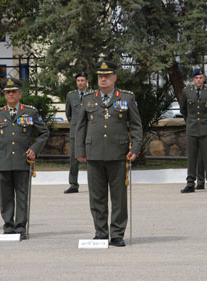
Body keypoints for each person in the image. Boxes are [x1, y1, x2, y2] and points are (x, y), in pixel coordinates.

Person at [75, 61, 143, 247]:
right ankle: (101, 232)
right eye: (100, 76)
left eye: (107, 76)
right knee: (97, 197)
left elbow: (136, 126)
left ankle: (117, 234)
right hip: (94, 154)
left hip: (118, 154)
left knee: (119, 197)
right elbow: (80, 126)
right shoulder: (89, 99)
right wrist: (79, 150)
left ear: (114, 77)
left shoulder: (127, 98)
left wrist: (135, 149)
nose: (103, 79)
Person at [0, 78, 49, 239]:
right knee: (6, 195)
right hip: (3, 160)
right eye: (7, 92)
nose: (10, 94)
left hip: (23, 160)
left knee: (22, 195)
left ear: (20, 94)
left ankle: (20, 226)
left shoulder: (30, 112)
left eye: (13, 91)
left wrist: (34, 149)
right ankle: (8, 225)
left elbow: (44, 132)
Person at [180, 69, 207, 194]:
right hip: (191, 128)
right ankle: (190, 182)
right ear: (192, 79)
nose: (199, 80)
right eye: (196, 78)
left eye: (201, 77)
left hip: (206, 127)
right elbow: (183, 109)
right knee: (192, 157)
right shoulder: (187, 91)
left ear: (203, 78)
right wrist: (190, 120)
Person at [64, 71, 92, 194]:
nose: (80, 83)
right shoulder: (70, 95)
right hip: (75, 132)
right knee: (74, 160)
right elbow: (68, 114)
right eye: (78, 81)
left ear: (86, 81)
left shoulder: (92, 94)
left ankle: (95, 185)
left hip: (90, 131)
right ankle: (73, 184)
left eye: (82, 80)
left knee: (92, 159)